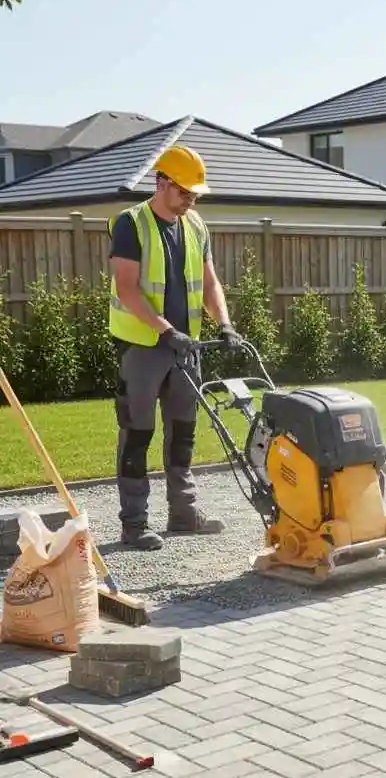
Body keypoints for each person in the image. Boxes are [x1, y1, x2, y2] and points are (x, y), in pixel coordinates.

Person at [108, 144, 241, 551]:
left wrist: (226, 324)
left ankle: (183, 513)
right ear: (162, 182)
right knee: (138, 433)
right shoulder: (131, 224)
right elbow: (127, 289)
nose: (190, 200)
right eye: (185, 192)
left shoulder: (196, 225)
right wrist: (166, 330)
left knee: (183, 431)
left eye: (195, 195)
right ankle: (134, 524)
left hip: (187, 349)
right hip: (143, 347)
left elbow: (210, 281)